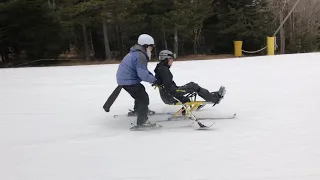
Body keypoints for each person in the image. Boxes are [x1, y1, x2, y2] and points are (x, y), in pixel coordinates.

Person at [153, 50, 226, 107]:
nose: (172, 61)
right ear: (166, 59)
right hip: (170, 97)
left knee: (193, 86)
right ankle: (214, 98)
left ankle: (212, 96)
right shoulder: (163, 70)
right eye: (171, 59)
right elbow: (169, 89)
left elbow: (167, 86)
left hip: (168, 96)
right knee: (193, 86)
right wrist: (182, 98)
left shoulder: (161, 68)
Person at [116, 34, 157, 127]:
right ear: (146, 46)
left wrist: (153, 78)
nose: (151, 49)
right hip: (128, 80)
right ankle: (142, 122)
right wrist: (154, 80)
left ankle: (138, 110)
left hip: (124, 79)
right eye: (151, 47)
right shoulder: (140, 56)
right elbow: (142, 74)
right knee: (143, 98)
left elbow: (143, 71)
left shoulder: (136, 53)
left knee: (139, 92)